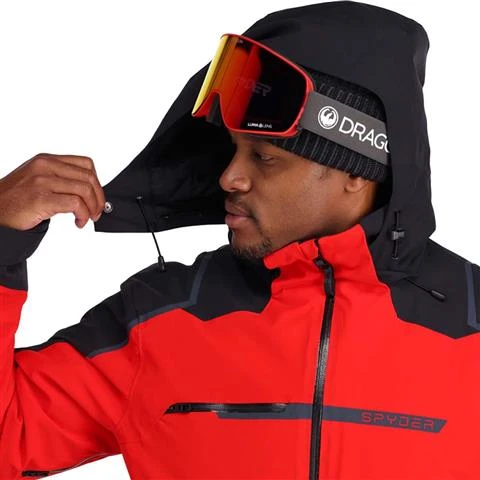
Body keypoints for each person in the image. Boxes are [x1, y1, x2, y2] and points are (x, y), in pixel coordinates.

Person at [0, 1, 478, 478]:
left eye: (264, 157)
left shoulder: (471, 320)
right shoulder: (161, 318)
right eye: (233, 150)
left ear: (356, 171)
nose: (229, 177)